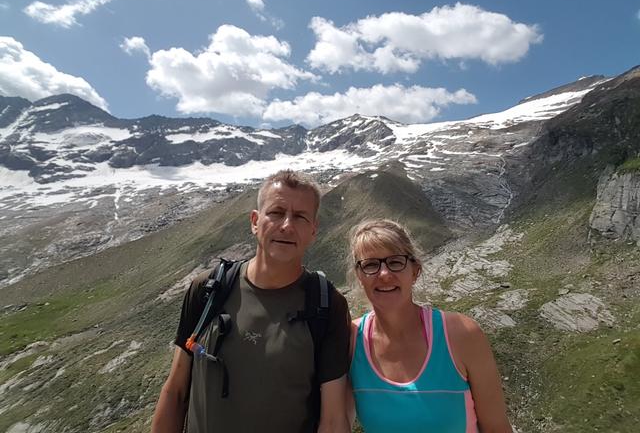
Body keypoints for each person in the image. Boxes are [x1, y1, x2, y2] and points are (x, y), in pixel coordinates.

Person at [151, 170, 351, 433]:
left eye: (300, 216)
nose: (287, 225)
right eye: (276, 212)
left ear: (313, 230)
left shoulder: (327, 305)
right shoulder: (209, 289)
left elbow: (334, 420)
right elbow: (176, 392)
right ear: (255, 221)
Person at [347, 219, 512, 433]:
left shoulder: (462, 335)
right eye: (370, 265)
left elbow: (497, 427)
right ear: (359, 276)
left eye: (396, 262)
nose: (384, 274)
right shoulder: (350, 341)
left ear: (415, 271)